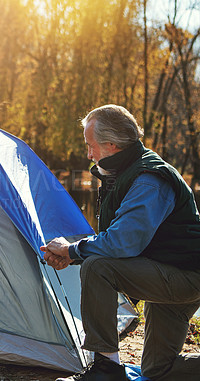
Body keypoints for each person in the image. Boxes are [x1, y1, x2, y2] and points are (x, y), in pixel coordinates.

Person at [40, 104, 200, 381]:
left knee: (98, 267)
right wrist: (71, 251)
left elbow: (123, 242)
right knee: (158, 371)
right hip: (166, 269)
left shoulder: (149, 179)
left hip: (184, 275)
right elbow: (119, 235)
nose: (88, 153)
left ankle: (107, 368)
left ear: (111, 145)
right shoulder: (126, 172)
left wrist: (71, 251)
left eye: (91, 146)